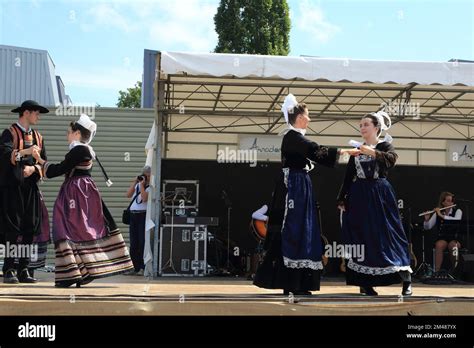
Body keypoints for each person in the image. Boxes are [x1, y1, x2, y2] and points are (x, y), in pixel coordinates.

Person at [253, 94, 358, 295]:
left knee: (303, 230)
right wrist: (347, 152)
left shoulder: (294, 138)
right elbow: (316, 150)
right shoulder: (293, 137)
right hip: (294, 187)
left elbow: (313, 152)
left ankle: (299, 282)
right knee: (295, 229)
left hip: (300, 186)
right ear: (300, 117)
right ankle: (292, 283)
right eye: (307, 115)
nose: (309, 119)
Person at [33, 114, 134, 287]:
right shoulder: (83, 149)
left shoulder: (80, 150)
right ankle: (80, 271)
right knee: (76, 230)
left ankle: (75, 272)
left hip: (76, 193)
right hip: (80, 192)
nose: (67, 135)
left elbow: (57, 170)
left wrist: (39, 160)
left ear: (77, 133)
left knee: (67, 229)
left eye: (69, 132)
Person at [337, 111, 412, 296]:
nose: (362, 127)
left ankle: (406, 280)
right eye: (360, 125)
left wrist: (369, 151)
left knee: (390, 234)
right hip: (360, 196)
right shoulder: (357, 148)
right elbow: (348, 176)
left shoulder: (385, 145)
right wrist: (342, 198)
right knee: (363, 237)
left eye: (365, 124)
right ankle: (365, 283)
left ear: (376, 128)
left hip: (380, 195)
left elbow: (391, 160)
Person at [0, 100, 49, 284]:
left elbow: (44, 162)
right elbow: (5, 156)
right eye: (36, 113)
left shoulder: (39, 136)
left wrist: (34, 170)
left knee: (30, 229)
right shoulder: (9, 133)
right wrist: (25, 151)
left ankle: (24, 269)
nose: (38, 116)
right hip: (12, 189)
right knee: (12, 230)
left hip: (31, 189)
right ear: (26, 113)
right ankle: (9, 269)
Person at [423, 192, 462, 273]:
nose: (451, 203)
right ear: (443, 202)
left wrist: (441, 215)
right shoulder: (438, 213)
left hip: (455, 237)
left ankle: (455, 271)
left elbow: (457, 219)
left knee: (453, 246)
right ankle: (436, 272)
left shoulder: (458, 211)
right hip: (443, 237)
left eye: (452, 201)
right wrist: (426, 220)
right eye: (448, 201)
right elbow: (428, 227)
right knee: (439, 245)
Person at [125, 166, 151, 275]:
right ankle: (134, 267)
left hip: (143, 215)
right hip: (133, 215)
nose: (144, 177)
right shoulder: (137, 185)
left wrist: (142, 185)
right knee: (134, 242)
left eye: (146, 175)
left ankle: (142, 267)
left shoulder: (150, 187)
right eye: (143, 174)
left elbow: (144, 198)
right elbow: (128, 195)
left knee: (142, 242)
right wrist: (136, 182)